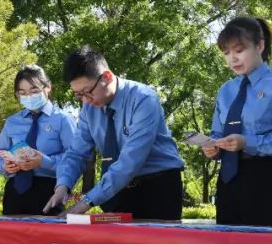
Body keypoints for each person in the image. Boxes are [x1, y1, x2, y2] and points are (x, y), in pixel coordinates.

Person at [44, 46, 185, 220]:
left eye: (88, 92)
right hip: (115, 189)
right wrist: (62, 186)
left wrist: (85, 203)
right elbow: (77, 153)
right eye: (78, 95)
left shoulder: (143, 99)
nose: (86, 100)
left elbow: (130, 161)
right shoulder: (88, 109)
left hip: (157, 187)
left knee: (158, 238)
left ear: (107, 77)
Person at [202, 16, 272, 227]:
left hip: (266, 179)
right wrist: (213, 147)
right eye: (226, 53)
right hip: (228, 178)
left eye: (239, 50)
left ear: (260, 46)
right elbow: (217, 132)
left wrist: (247, 142)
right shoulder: (226, 90)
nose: (232, 59)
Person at [0, 65, 77, 216]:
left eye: (34, 91)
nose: (29, 96)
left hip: (49, 190)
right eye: (22, 93)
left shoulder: (63, 120)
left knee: (47, 231)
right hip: (15, 191)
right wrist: (5, 165)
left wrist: (44, 161)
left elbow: (75, 158)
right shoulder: (12, 122)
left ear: (48, 87)